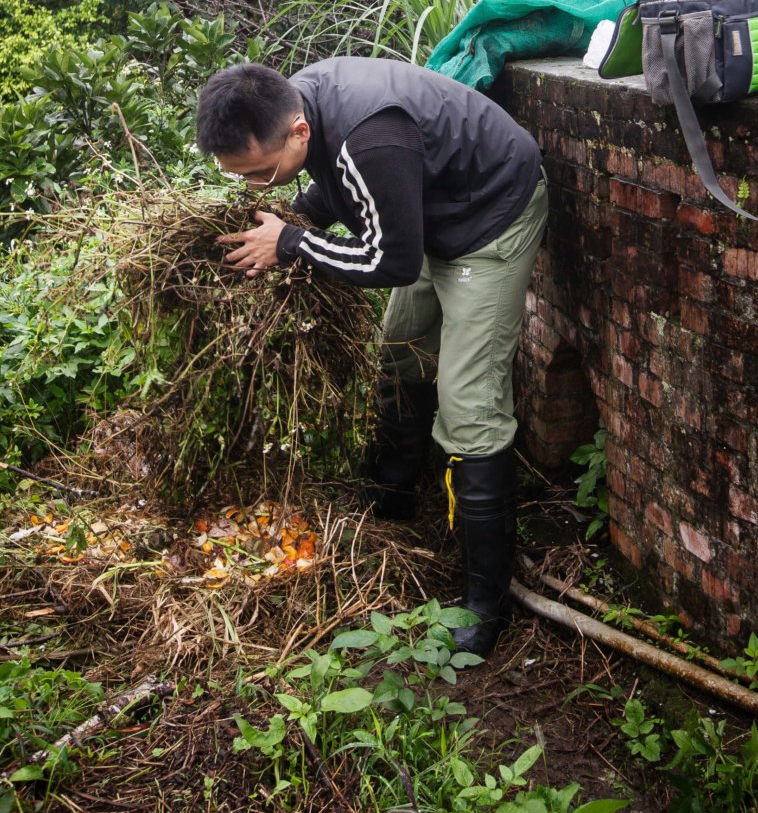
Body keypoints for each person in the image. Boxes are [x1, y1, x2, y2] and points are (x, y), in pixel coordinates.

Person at [194, 57, 548, 657]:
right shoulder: (303, 102)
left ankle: (485, 600)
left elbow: (391, 264)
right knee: (399, 357)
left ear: (297, 132)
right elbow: (339, 187)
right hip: (425, 215)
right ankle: (393, 499)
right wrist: (295, 220)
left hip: (489, 220)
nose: (257, 188)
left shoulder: (372, 137)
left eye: (259, 175)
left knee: (468, 404)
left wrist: (293, 243)